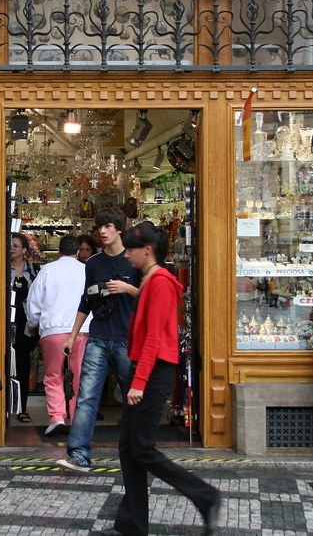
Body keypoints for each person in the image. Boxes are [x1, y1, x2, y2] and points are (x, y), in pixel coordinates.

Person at [104, 221, 221, 536]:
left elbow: (154, 337)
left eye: (130, 249)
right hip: (145, 368)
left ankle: (204, 495)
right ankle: (132, 526)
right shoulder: (152, 279)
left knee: (141, 448)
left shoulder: (160, 282)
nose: (126, 254)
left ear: (147, 250)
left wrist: (139, 382)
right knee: (129, 448)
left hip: (153, 371)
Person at [58, 207, 140, 472]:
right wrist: (73, 335)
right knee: (86, 397)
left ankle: (140, 450)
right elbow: (86, 300)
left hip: (127, 339)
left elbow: (152, 297)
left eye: (107, 226)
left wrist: (129, 288)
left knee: (135, 397)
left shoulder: (134, 259)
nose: (102, 231)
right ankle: (79, 454)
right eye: (99, 227)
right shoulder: (93, 263)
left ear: (119, 229)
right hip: (98, 337)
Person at [24, 235, 90, 435]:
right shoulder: (86, 270)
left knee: (53, 376)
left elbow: (33, 303)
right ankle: (77, 417)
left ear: (59, 251)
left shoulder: (47, 270)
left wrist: (32, 324)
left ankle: (57, 417)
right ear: (78, 251)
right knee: (79, 375)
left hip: (53, 330)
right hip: (81, 330)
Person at [9, 232, 39, 422]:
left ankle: (22, 408)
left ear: (25, 250)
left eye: (16, 246)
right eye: (10, 245)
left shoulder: (34, 271)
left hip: (26, 325)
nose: (12, 249)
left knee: (22, 366)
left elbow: (39, 299)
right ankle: (3, 407)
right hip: (6, 323)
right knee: (5, 365)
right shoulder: (4, 269)